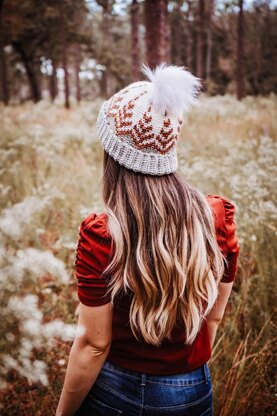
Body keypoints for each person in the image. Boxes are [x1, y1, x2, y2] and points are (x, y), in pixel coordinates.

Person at [56, 64, 240, 416]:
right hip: (194, 388)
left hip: (117, 389)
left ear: (113, 155)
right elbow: (212, 320)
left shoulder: (103, 235)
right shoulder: (216, 219)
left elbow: (94, 345)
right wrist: (183, 372)